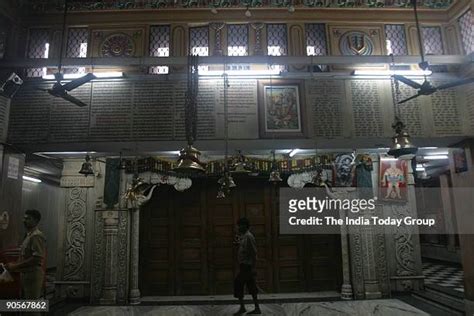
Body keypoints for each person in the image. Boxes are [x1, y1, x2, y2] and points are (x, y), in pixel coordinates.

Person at [5, 209, 46, 300]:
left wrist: (15, 266)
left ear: (35, 221)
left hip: (32, 275)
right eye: (24, 218)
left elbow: (37, 258)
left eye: (28, 219)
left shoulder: (36, 236)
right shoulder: (29, 235)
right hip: (26, 274)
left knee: (31, 307)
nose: (24, 221)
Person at [233, 217, 261, 315]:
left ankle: (242, 308)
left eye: (241, 225)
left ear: (246, 226)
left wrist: (253, 268)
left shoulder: (249, 236)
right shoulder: (243, 236)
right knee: (251, 286)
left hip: (247, 266)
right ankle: (257, 308)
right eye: (238, 225)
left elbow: (254, 253)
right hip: (244, 265)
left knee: (238, 283)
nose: (239, 227)